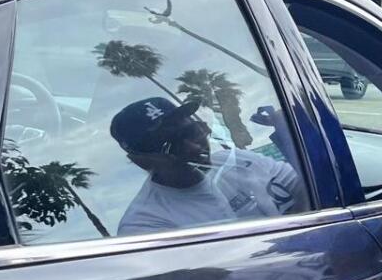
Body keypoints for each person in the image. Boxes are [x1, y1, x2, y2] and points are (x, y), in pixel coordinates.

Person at [110, 97, 301, 237]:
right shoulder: (145, 225)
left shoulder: (239, 161)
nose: (193, 147)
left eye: (192, 132)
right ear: (141, 160)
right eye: (171, 145)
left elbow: (310, 188)